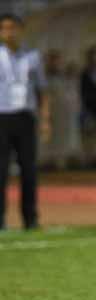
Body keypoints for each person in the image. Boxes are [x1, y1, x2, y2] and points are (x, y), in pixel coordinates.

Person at [0, 13, 50, 231]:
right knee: (0, 171)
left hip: (25, 117)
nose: (9, 32)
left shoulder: (33, 56)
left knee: (29, 170)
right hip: (1, 117)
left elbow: (43, 90)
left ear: (21, 29)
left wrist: (46, 119)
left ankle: (30, 219)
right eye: (4, 28)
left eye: (13, 27)